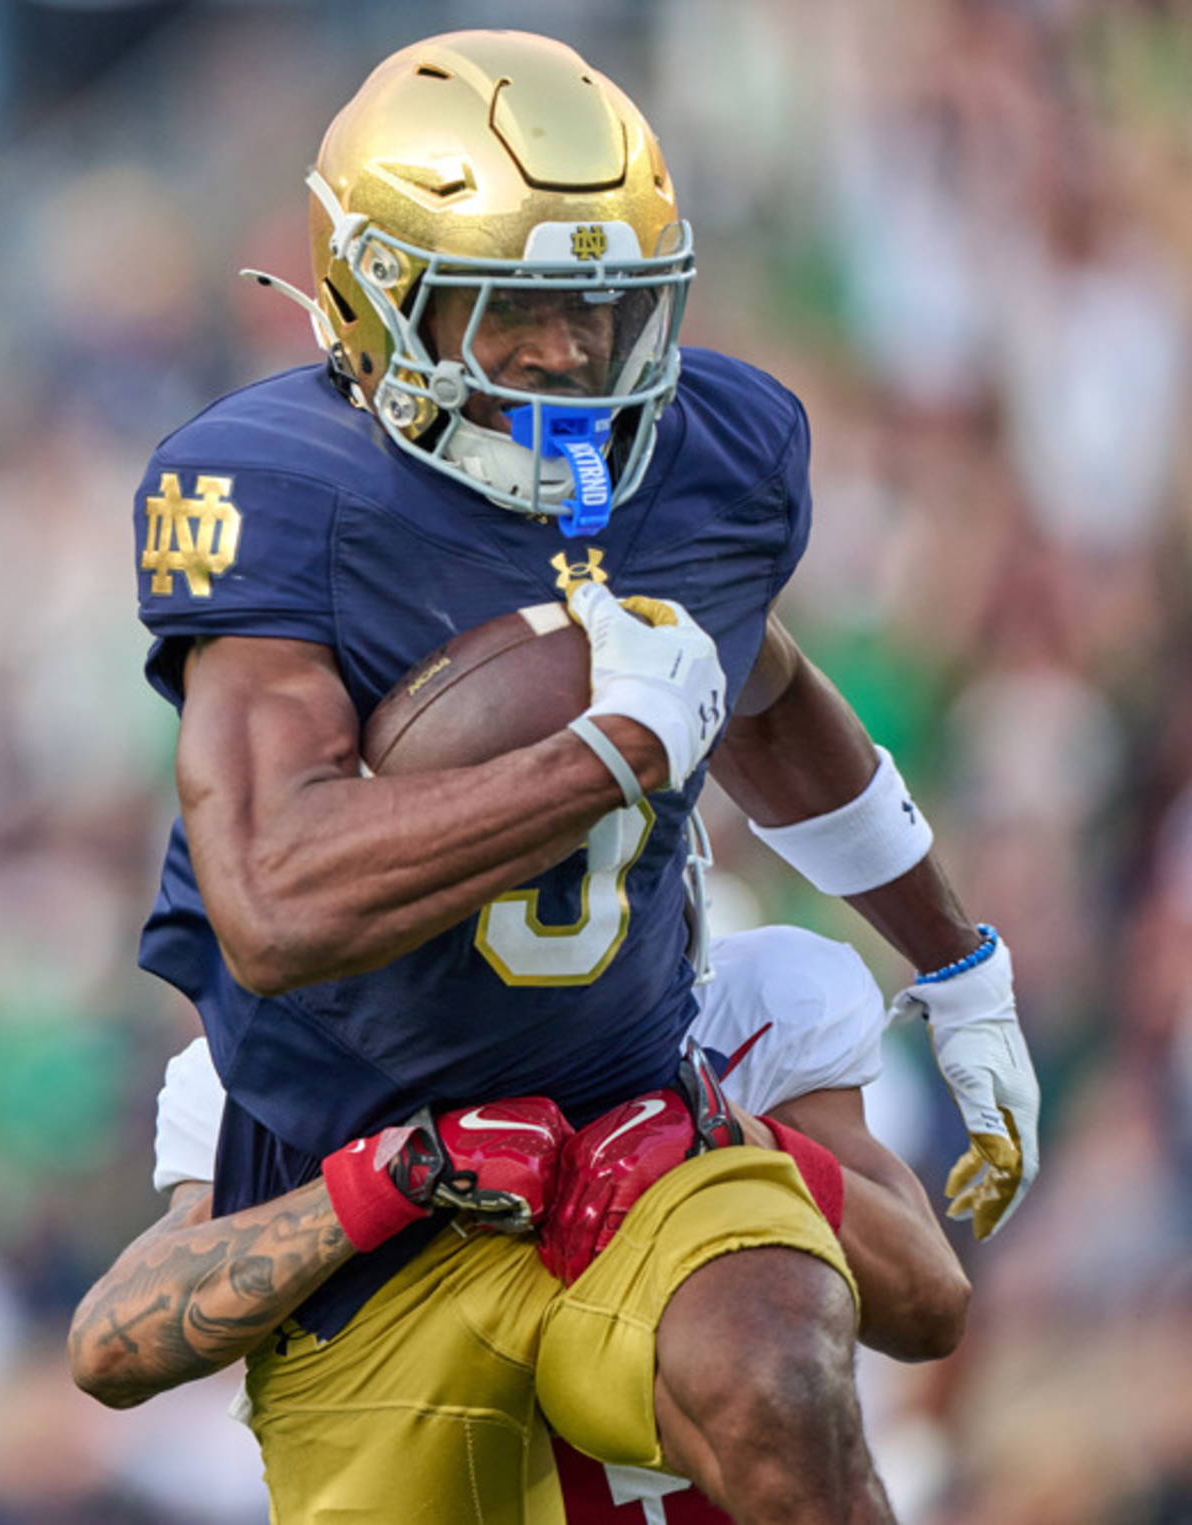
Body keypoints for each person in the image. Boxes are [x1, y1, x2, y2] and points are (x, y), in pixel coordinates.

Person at [120, 28, 1039, 1525]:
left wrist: (958, 963)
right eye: (511, 310)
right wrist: (606, 754)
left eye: (601, 308)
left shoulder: (711, 453)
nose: (563, 353)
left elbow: (764, 696)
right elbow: (276, 905)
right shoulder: (285, 493)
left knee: (774, 1363)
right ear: (374, 297)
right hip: (372, 1210)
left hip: (638, 1129)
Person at [70, 927, 972, 1523]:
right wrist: (394, 1175)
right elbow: (113, 1346)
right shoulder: (273, 1070)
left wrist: (731, 1132)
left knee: (772, 1339)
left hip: (695, 1474)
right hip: (426, 1457)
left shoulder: (754, 997)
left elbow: (928, 1304)